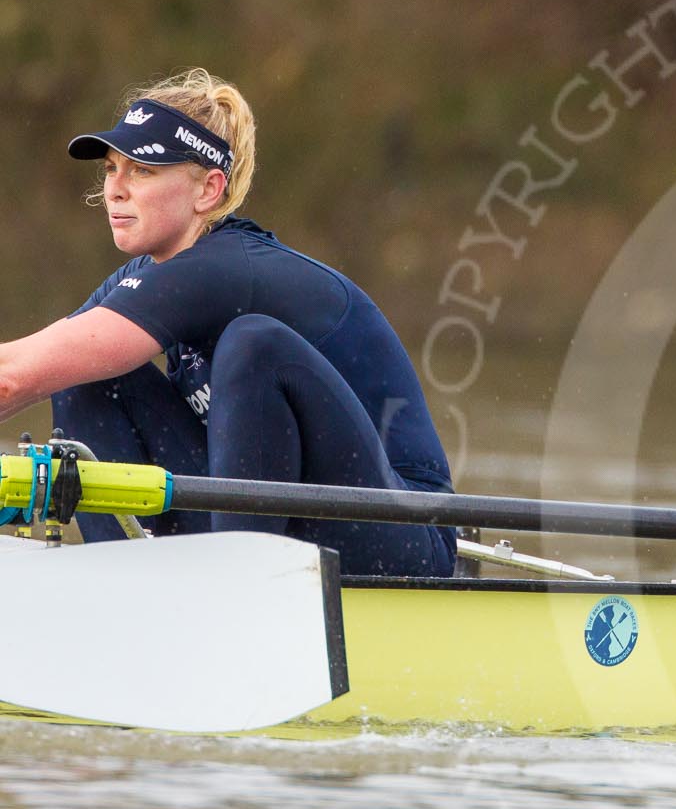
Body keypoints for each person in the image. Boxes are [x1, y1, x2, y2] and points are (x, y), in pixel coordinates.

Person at [0, 68, 456, 576]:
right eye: (111, 169)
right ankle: (128, 585)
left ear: (208, 190)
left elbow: (11, 378)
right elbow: (24, 367)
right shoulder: (148, 275)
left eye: (143, 171)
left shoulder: (228, 266)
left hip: (402, 531)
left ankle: (232, 590)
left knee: (252, 343)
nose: (115, 190)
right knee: (83, 373)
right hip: (277, 517)